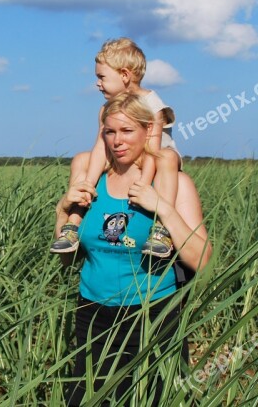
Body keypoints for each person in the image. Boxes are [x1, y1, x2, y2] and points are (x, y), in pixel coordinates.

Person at [54, 92, 212, 405]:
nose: (117, 141)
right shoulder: (92, 179)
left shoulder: (175, 182)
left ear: (147, 132)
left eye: (127, 131)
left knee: (152, 398)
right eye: (110, 132)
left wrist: (163, 208)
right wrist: (63, 208)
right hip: (92, 313)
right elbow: (67, 261)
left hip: (152, 315)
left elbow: (202, 259)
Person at [51, 38, 181, 258]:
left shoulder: (153, 106)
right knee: (82, 159)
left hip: (153, 157)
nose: (97, 83)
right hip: (122, 157)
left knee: (166, 157)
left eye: (102, 77)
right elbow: (101, 147)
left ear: (124, 75)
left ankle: (160, 230)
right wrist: (88, 185)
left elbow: (152, 150)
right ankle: (72, 226)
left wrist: (142, 184)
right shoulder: (107, 109)